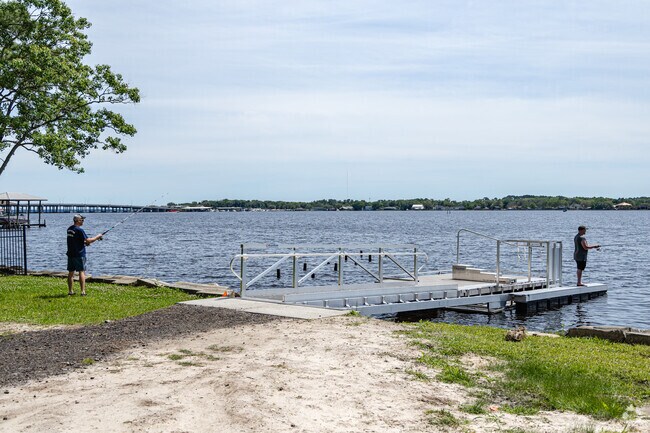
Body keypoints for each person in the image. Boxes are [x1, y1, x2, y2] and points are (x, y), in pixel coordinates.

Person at [66, 214, 103, 295]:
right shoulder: (79, 230)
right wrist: (98, 236)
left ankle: (70, 291)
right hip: (79, 254)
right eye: (82, 220)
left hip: (71, 254)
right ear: (78, 221)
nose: (83, 221)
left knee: (71, 273)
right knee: (81, 272)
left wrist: (84, 243)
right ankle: (83, 292)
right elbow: (88, 240)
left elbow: (75, 240)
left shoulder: (69, 229)